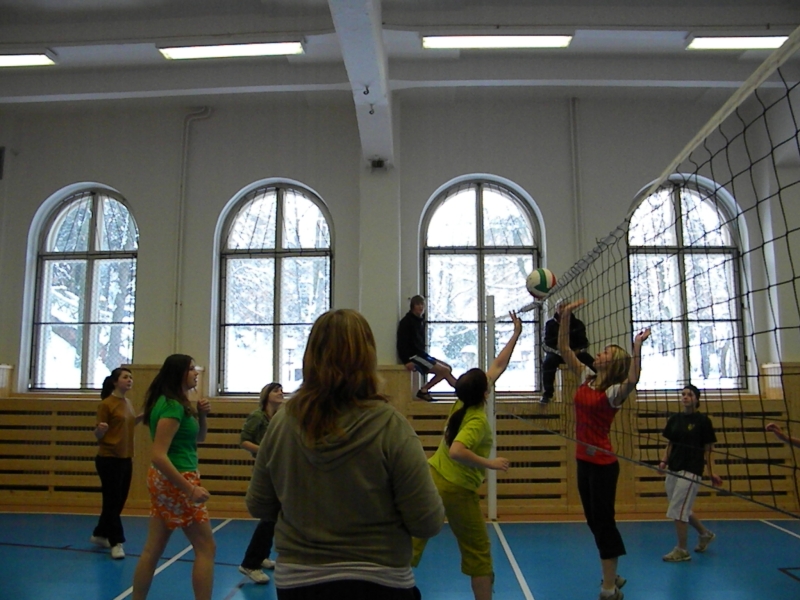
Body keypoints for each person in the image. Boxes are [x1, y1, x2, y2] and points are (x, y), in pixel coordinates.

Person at [246, 309, 444, 600]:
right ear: (368, 357)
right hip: (381, 580)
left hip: (299, 583)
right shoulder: (390, 425)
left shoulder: (283, 423)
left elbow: (259, 505)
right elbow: (427, 520)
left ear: (310, 356)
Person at [412, 311, 522, 600]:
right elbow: (457, 450)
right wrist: (490, 463)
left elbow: (498, 364)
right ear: (486, 393)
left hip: (431, 476)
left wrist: (516, 334)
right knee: (478, 551)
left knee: (413, 540)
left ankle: (386, 585)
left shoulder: (462, 401)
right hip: (456, 488)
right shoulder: (476, 421)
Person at [558, 299, 650, 600]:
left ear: (613, 363)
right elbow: (564, 349)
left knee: (604, 522)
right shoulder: (586, 377)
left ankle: (609, 587)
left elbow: (633, 379)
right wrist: (565, 316)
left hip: (603, 465)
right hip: (583, 461)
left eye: (606, 352)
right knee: (593, 522)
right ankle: (612, 572)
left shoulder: (612, 392)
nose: (599, 353)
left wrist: (636, 346)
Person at [132, 355, 215, 600]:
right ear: (179, 373)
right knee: (206, 548)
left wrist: (202, 415)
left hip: (166, 480)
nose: (196, 373)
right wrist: (189, 488)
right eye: (191, 369)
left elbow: (199, 438)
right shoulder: (172, 406)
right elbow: (158, 455)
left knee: (153, 549)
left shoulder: (175, 403)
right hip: (178, 478)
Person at [658, 384, 723, 562]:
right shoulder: (675, 419)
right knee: (679, 507)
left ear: (696, 399)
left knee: (678, 509)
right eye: (683, 394)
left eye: (690, 394)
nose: (685, 397)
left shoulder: (703, 421)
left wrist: (711, 472)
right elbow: (670, 444)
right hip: (674, 468)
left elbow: (709, 448)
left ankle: (682, 550)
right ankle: (704, 534)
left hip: (692, 469)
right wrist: (663, 461)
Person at [91, 367, 142, 559]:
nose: (129, 380)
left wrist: (143, 416)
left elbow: (127, 424)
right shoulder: (106, 404)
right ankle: (116, 542)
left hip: (125, 457)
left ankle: (100, 533)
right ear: (115, 381)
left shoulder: (127, 402)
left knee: (118, 500)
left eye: (131, 377)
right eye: (125, 377)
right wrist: (101, 430)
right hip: (109, 458)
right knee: (112, 501)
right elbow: (98, 434)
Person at [238, 382, 284, 584]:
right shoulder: (257, 416)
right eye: (276, 390)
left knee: (273, 517)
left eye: (281, 390)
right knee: (269, 516)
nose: (280, 393)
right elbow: (244, 441)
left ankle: (262, 555)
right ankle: (250, 563)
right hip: (265, 470)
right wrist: (264, 451)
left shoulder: (278, 417)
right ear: (266, 395)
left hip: (277, 469)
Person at [397, 294, 457, 401]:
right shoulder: (406, 322)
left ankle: (460, 389)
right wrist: (406, 361)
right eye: (418, 304)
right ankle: (425, 390)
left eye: (422, 305)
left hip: (422, 354)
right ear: (412, 306)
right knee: (444, 370)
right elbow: (401, 343)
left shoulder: (420, 321)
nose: (421, 307)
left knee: (447, 368)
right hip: (414, 356)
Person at [540, 299, 594, 404]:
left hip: (575, 354)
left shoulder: (578, 324)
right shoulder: (550, 324)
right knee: (548, 362)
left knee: (591, 361)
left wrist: (575, 352)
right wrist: (561, 352)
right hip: (557, 354)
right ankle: (548, 394)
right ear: (556, 309)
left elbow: (584, 343)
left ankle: (597, 388)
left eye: (565, 307)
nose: (563, 309)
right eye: (561, 307)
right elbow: (546, 344)